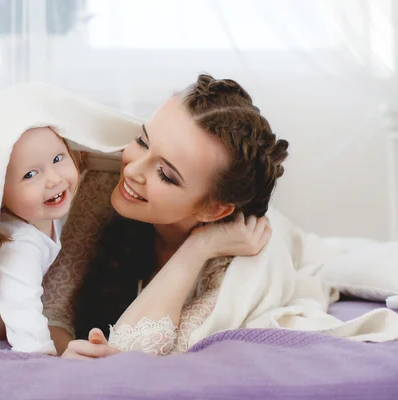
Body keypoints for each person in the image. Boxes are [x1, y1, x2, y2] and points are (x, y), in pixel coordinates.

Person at [41, 74, 289, 357]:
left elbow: (135, 351)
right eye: (143, 142)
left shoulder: (233, 268)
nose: (132, 171)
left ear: (214, 210)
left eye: (165, 174)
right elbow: (53, 314)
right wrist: (70, 355)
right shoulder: (104, 183)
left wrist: (199, 248)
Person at [0, 126, 80, 355]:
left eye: (58, 158)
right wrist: (39, 353)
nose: (54, 179)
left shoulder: (43, 213)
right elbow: (20, 303)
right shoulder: (20, 243)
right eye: (30, 175)